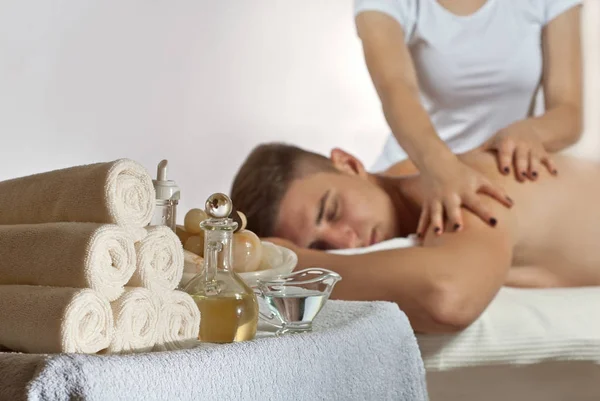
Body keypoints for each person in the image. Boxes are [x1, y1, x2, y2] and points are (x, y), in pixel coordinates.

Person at [230, 142, 600, 333]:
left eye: (332, 211)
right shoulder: (404, 199)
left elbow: (448, 297)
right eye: (321, 246)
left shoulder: (448, 187)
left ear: (351, 164)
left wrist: (296, 263)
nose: (345, 243)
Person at [353, 0, 582, 238]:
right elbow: (395, 89)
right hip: (419, 170)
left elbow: (568, 112)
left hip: (498, 175)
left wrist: (531, 131)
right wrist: (442, 169)